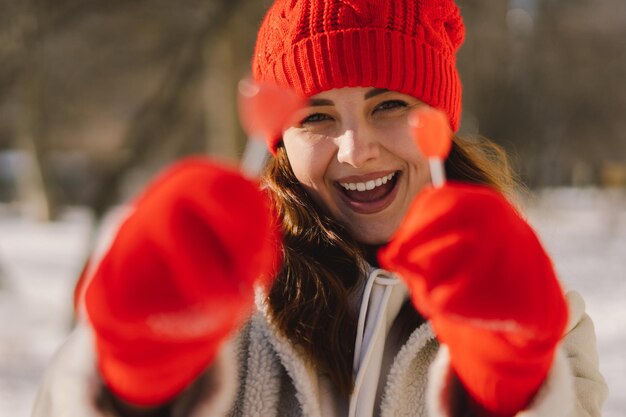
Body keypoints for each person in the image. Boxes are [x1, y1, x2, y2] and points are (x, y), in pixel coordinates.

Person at [33, 1, 608, 416]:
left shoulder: (537, 307)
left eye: (388, 105)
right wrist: (134, 369)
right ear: (279, 140)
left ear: (440, 123)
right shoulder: (220, 294)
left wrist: (508, 382)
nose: (357, 150)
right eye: (316, 116)